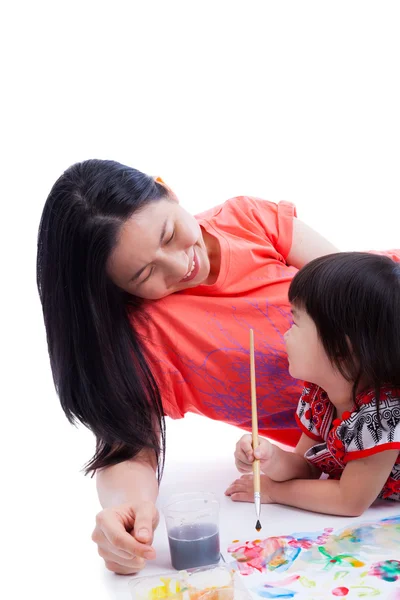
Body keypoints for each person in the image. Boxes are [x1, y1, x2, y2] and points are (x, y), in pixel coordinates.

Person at [36, 159, 397, 574]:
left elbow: (360, 297)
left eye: (169, 233)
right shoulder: (140, 340)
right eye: (144, 273)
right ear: (112, 290)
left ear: (166, 189)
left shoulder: (248, 220)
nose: (179, 265)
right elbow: (126, 448)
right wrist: (129, 511)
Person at [228, 252, 400, 516]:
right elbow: (307, 466)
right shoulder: (320, 396)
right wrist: (270, 458)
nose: (286, 334)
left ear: (341, 346)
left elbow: (349, 500)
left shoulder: (383, 414)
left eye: (295, 322)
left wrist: (274, 491)